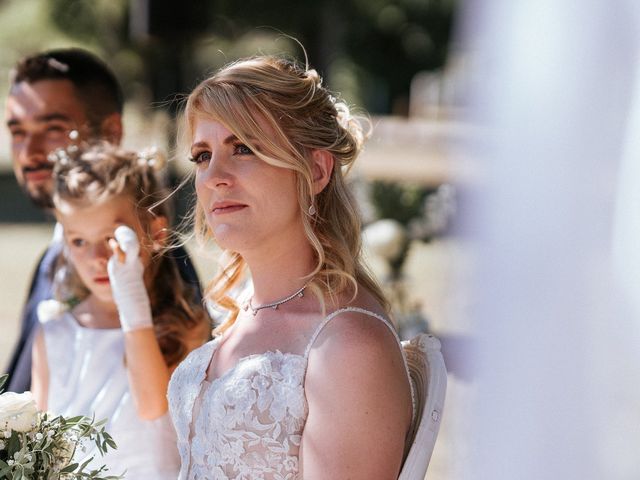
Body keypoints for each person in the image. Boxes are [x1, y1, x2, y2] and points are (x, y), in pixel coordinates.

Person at [168, 55, 414, 479]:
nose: (214, 177)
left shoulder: (350, 345)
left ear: (316, 170)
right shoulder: (243, 308)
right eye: (202, 155)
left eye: (243, 148)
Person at [3, 48, 202, 392]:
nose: (29, 152)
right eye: (18, 132)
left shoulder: (157, 258)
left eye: (52, 128)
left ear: (110, 132)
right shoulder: (50, 258)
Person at [32, 143, 211, 478]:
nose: (97, 257)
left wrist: (130, 297)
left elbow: (152, 406)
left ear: (155, 233)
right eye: (79, 241)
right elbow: (39, 439)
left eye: (111, 237)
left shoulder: (180, 324)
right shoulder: (53, 331)